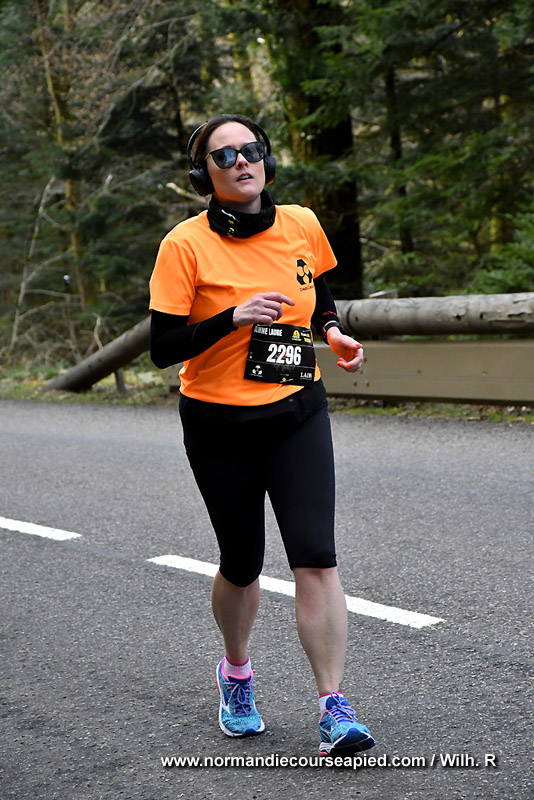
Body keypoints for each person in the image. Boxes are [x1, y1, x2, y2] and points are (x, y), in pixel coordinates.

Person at [149, 113, 376, 757]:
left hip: (297, 410)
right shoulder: (184, 245)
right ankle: (237, 671)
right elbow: (163, 347)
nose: (241, 162)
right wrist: (232, 318)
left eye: (250, 150)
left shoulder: (300, 222)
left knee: (316, 555)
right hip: (219, 421)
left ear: (266, 159)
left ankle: (333, 705)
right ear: (204, 176)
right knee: (243, 562)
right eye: (223, 157)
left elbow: (319, 291)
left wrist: (332, 332)